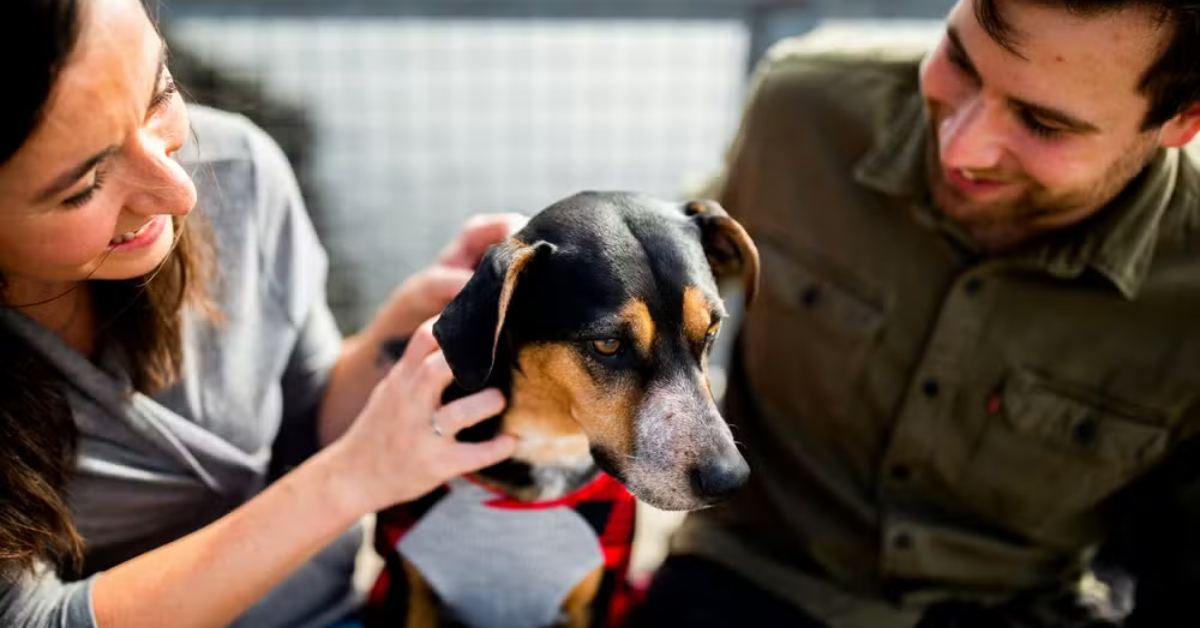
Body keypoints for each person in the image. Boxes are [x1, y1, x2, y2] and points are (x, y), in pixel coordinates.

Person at [626, 0, 1200, 627]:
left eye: (1042, 124)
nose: (961, 148)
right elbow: (661, 282)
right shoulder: (803, 108)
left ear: (1183, 119)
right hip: (743, 578)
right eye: (959, 61)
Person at [0, 1, 522, 627]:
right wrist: (353, 479)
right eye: (83, 187)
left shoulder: (240, 171)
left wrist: (403, 330)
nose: (181, 192)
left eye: (159, 96)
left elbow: (302, 425)